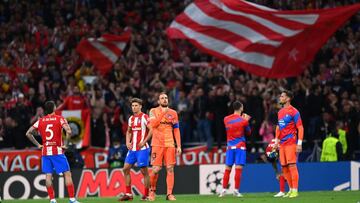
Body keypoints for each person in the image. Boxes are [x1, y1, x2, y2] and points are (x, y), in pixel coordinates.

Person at [25, 101, 80, 203]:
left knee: (48, 176)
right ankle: (72, 199)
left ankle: (52, 200)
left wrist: (38, 145)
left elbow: (28, 133)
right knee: (67, 174)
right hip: (57, 151)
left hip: (45, 152)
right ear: (54, 108)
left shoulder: (40, 121)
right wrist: (66, 144)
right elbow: (68, 131)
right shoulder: (60, 119)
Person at [148, 92, 182, 201]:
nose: (164, 99)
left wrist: (179, 146)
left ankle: (169, 194)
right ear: (158, 101)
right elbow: (153, 125)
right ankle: (152, 191)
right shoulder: (153, 111)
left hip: (170, 144)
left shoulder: (173, 113)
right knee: (156, 169)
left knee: (170, 168)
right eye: (162, 98)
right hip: (157, 144)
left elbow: (176, 130)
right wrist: (163, 113)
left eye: (166, 98)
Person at [119, 98, 152, 201]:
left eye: (136, 105)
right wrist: (127, 142)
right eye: (133, 106)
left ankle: (146, 195)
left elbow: (151, 130)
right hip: (132, 149)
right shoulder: (131, 119)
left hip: (142, 149)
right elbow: (128, 131)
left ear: (140, 106)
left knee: (144, 171)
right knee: (125, 169)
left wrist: (144, 141)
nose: (134, 107)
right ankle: (129, 194)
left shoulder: (145, 117)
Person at [274, 90, 304, 198]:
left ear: (288, 98)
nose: (280, 98)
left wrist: (299, 143)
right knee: (284, 167)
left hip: (291, 142)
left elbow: (300, 127)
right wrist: (276, 140)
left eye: (282, 96)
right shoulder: (280, 112)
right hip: (282, 144)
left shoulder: (294, 111)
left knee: (292, 165)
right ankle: (291, 190)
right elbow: (278, 127)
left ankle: (295, 190)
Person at [219, 101, 251, 198]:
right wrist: (247, 121)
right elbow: (249, 133)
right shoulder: (243, 120)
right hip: (240, 147)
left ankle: (223, 190)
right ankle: (236, 191)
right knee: (238, 170)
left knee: (227, 169)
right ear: (241, 108)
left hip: (230, 147)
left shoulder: (226, 119)